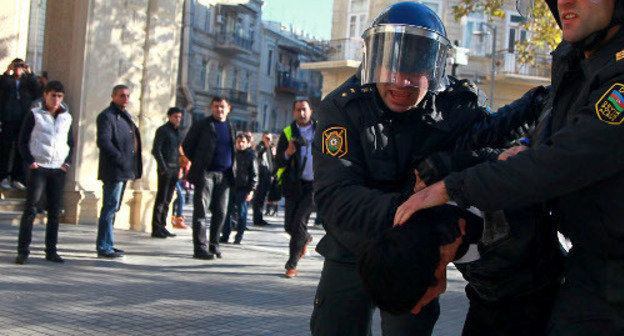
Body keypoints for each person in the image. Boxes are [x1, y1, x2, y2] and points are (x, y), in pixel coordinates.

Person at [310, 2, 548, 335]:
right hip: (354, 245)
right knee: (334, 326)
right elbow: (336, 197)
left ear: (434, 67)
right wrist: (415, 207)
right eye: (392, 68)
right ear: (373, 59)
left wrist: (546, 100)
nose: (401, 82)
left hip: (416, 259)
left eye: (414, 71)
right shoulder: (343, 107)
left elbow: (491, 140)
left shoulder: (454, 103)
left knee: (410, 325)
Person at [394, 0, 624, 334]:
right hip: (590, 261)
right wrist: (525, 146)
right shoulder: (580, 61)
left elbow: (561, 162)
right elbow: (556, 132)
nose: (565, 2)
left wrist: (449, 187)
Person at [359, 147, 564, 336]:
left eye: (416, 301)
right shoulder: (419, 214)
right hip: (488, 300)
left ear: (437, 266)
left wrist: (491, 158)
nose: (416, 309)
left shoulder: (509, 226)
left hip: (541, 301)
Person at [15, 80, 74, 264]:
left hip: (57, 168)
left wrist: (67, 163)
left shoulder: (67, 117)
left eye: (59, 96)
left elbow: (70, 142)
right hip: (39, 167)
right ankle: (23, 251)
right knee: (31, 209)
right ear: (46, 95)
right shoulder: (35, 115)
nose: (56, 99)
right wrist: (31, 162)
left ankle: (51, 250)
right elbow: (22, 141)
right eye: (53, 95)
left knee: (55, 211)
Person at [182, 96, 236, 260]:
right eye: (216, 106)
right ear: (211, 108)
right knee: (201, 212)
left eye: (222, 107)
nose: (219, 110)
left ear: (228, 108)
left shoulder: (230, 126)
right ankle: (200, 248)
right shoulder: (203, 125)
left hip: (225, 175)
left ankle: (214, 245)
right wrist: (200, 161)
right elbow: (187, 146)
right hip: (206, 174)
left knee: (221, 212)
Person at [96, 85, 142, 258]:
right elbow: (104, 141)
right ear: (113, 96)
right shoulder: (107, 116)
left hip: (125, 170)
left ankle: (108, 242)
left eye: (128, 96)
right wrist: (120, 158)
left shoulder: (125, 116)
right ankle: (103, 246)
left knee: (113, 208)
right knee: (109, 208)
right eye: (122, 96)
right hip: (113, 170)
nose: (126, 99)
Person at [275, 99, 316, 278]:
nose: (302, 113)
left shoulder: (321, 130)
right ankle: (305, 238)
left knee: (299, 222)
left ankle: (291, 264)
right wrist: (287, 153)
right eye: (298, 110)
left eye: (304, 110)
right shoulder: (287, 132)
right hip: (294, 184)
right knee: (289, 226)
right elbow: (278, 161)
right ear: (293, 112)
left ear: (311, 111)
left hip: (314, 185)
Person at [0, 58, 41, 190]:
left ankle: (18, 178)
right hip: (8, 119)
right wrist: (8, 71)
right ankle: (3, 177)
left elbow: (37, 88)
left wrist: (29, 72)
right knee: (5, 149)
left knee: (20, 149)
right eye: (16, 66)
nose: (18, 68)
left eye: (20, 66)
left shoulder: (27, 81)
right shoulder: (8, 80)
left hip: (23, 119)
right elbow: (2, 85)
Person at [150, 107, 184, 238]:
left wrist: (180, 168)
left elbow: (179, 152)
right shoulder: (163, 130)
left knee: (169, 199)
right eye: (175, 117)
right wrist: (163, 168)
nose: (178, 119)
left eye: (180, 117)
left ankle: (163, 225)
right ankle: (156, 227)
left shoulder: (178, 132)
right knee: (161, 199)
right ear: (169, 116)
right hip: (165, 169)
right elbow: (156, 150)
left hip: (175, 169)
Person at [220, 133, 258, 244]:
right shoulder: (231, 154)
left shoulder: (251, 156)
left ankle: (239, 236)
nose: (241, 144)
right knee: (226, 212)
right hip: (230, 186)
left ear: (247, 143)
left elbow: (255, 174)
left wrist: (251, 190)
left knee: (242, 214)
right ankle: (225, 234)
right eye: (238, 142)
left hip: (243, 188)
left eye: (243, 142)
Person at [253, 132, 274, 226]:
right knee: (258, 198)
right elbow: (257, 154)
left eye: (269, 139)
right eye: (266, 138)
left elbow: (271, 162)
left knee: (263, 198)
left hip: (267, 176)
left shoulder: (270, 148)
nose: (268, 140)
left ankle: (260, 217)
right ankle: (257, 219)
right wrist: (264, 146)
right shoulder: (261, 146)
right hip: (261, 176)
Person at [172, 149, 191, 229]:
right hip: (175, 175)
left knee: (175, 199)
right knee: (181, 199)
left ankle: (172, 218)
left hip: (180, 176)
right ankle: (178, 219)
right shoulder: (180, 149)